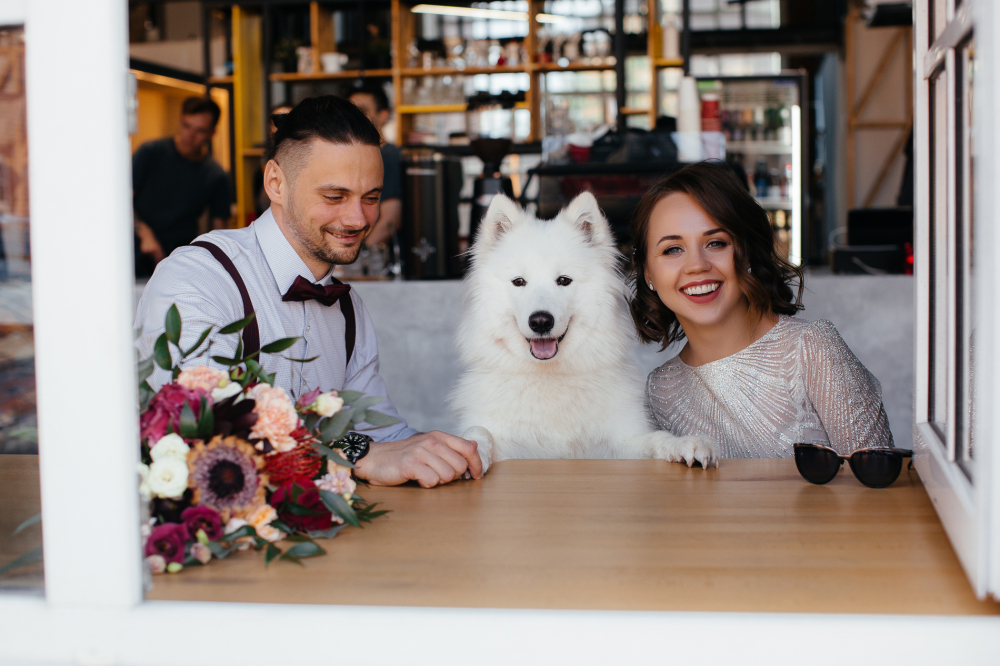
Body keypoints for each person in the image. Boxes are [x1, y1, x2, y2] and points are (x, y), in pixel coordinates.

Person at [135, 95, 482, 488]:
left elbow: (378, 436)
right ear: (276, 183)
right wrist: (358, 453)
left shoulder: (349, 310)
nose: (357, 219)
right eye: (334, 196)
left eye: (370, 198)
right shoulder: (198, 277)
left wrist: (427, 446)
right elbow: (198, 425)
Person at [628, 161, 893, 458]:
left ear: (747, 251)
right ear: (648, 274)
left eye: (716, 243)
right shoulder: (659, 392)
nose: (697, 266)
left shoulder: (812, 349)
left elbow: (882, 489)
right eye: (672, 249)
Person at [133, 96, 231, 276]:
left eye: (200, 130)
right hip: (134, 250)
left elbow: (220, 232)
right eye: (186, 125)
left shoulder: (215, 174)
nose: (190, 135)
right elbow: (120, 200)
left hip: (180, 258)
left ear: (212, 134)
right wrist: (144, 233)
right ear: (179, 121)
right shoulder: (150, 153)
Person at [348, 82, 401, 248]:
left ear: (384, 115)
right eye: (351, 112)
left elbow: (390, 221)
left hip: (383, 263)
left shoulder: (389, 157)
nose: (355, 118)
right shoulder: (351, 159)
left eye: (363, 112)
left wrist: (360, 254)